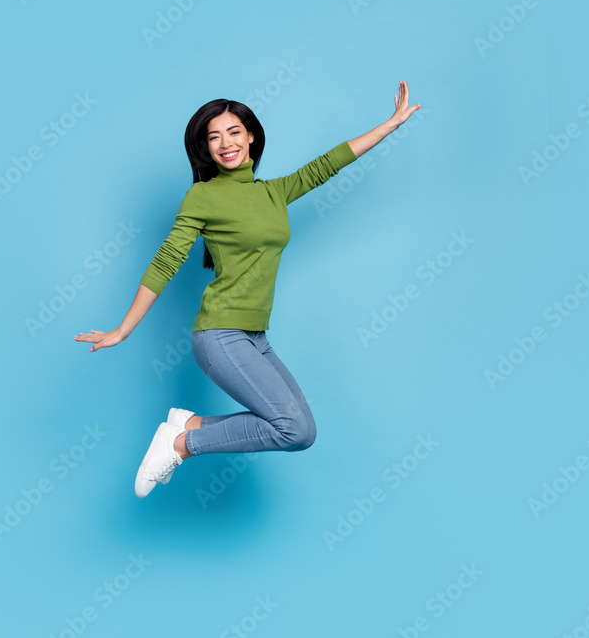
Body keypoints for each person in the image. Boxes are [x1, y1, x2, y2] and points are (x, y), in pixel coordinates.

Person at [74, 81, 421, 498]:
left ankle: (187, 425)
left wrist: (390, 124)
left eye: (233, 132)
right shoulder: (202, 196)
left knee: (302, 431)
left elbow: (328, 164)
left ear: (251, 135)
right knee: (288, 428)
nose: (225, 144)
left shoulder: (273, 192)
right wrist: (123, 328)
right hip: (220, 335)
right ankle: (183, 442)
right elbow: (167, 260)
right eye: (214, 137)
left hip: (254, 337)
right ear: (206, 148)